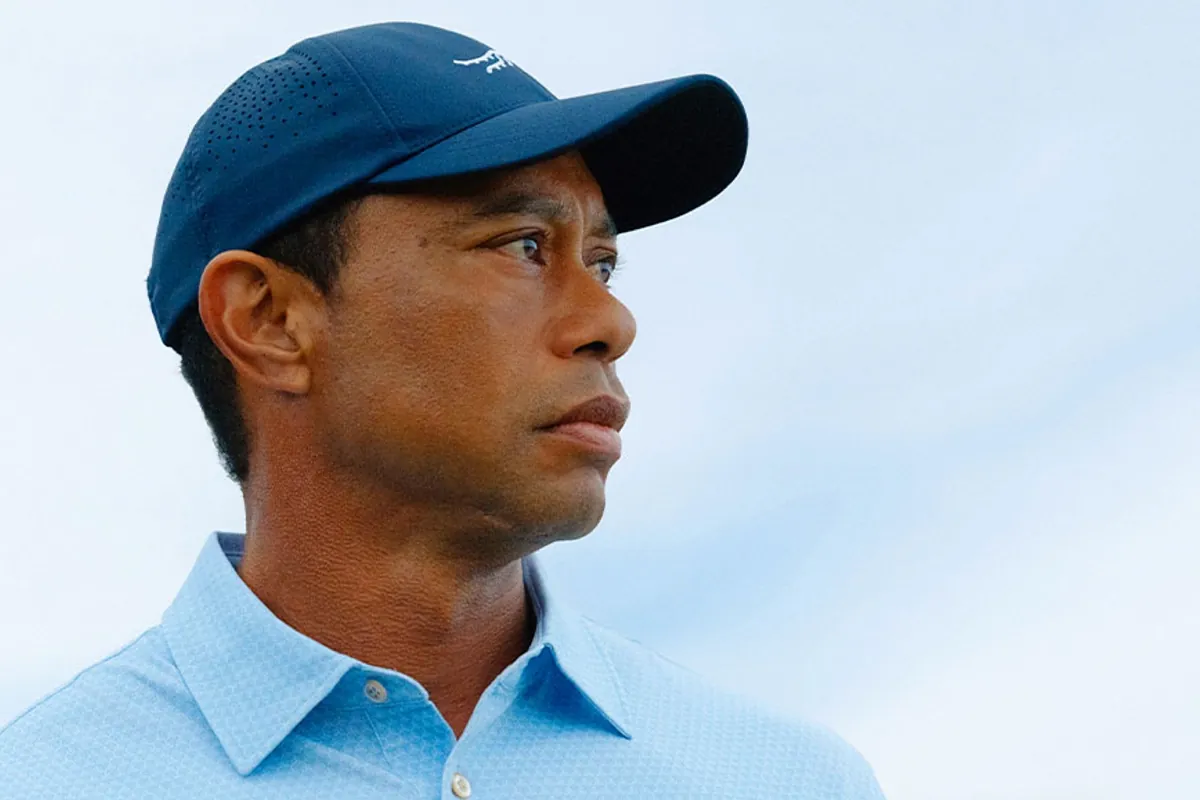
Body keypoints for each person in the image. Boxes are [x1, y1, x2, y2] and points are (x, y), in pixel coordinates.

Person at [0, 22, 884, 799]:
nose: (611, 322)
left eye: (603, 262)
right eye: (524, 246)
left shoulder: (788, 781)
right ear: (270, 322)